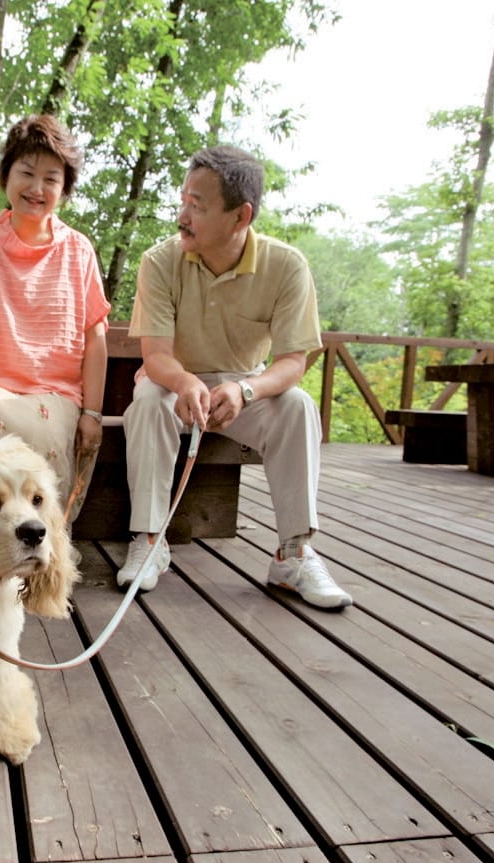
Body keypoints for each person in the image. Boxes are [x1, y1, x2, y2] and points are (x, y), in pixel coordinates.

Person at [116, 145, 352, 610]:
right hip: (172, 383)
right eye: (183, 200)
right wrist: (185, 383)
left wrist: (246, 390)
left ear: (240, 216)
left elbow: (292, 362)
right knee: (146, 401)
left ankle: (294, 554)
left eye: (197, 206)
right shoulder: (159, 261)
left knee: (299, 406)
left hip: (245, 386)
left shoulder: (286, 266)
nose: (183, 214)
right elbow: (156, 355)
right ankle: (148, 540)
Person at [0, 114, 109, 512]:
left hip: (53, 395)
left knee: (30, 428)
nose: (37, 188)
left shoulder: (78, 250)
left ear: (64, 189)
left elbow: (95, 337)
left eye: (51, 178)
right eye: (26, 173)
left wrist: (94, 414)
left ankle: (32, 558)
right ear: (6, 177)